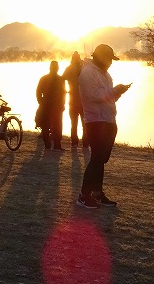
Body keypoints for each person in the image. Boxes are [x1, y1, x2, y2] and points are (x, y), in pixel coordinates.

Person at [77, 44, 131, 209]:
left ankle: (97, 193)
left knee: (101, 159)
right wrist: (115, 90)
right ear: (100, 58)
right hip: (95, 121)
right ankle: (83, 196)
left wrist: (118, 92)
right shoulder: (87, 72)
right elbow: (94, 96)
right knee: (97, 158)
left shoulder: (105, 74)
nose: (111, 63)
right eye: (109, 59)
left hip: (109, 121)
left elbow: (108, 99)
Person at [35, 60, 67, 150]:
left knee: (46, 125)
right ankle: (56, 144)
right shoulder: (60, 79)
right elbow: (63, 93)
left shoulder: (44, 78)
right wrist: (62, 104)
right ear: (57, 68)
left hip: (47, 104)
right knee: (57, 125)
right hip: (55, 105)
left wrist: (40, 101)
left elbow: (38, 92)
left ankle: (48, 144)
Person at [62, 51, 87, 149]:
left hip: (72, 100)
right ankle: (85, 143)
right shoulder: (84, 69)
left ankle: (74, 143)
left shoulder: (69, 69)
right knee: (84, 124)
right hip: (83, 100)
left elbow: (62, 79)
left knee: (74, 123)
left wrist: (64, 91)